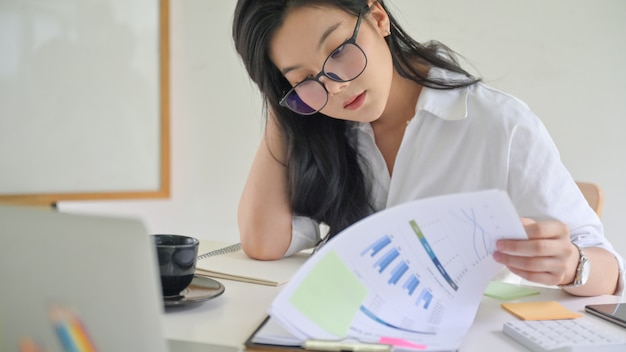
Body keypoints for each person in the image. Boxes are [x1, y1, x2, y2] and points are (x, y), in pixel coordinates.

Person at [232, 0, 624, 297]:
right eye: (304, 78)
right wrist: (285, 103)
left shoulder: (498, 124)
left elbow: (610, 274)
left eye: (338, 52)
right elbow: (264, 243)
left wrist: (573, 264)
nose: (334, 86)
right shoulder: (323, 125)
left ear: (378, 17)